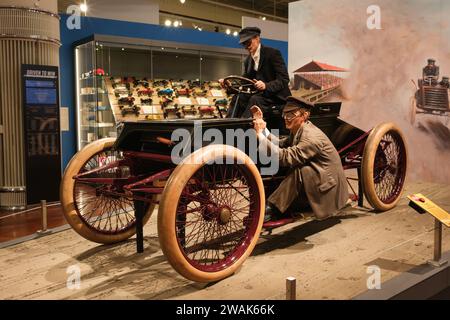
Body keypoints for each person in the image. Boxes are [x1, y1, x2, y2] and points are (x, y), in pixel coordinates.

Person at [251, 96, 349, 222]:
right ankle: (274, 203)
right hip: (318, 176)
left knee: (300, 170)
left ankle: (273, 208)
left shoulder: (311, 137)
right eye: (285, 114)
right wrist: (264, 130)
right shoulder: (298, 129)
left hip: (329, 187)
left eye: (291, 114)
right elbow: (281, 144)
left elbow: (285, 157)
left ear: (305, 115)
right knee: (298, 168)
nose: (286, 118)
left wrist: (259, 134)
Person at [220, 27, 291, 118]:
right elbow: (244, 84)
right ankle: (228, 126)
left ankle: (244, 128)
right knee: (239, 97)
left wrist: (266, 86)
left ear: (257, 38)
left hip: (276, 97)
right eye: (244, 44)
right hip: (261, 96)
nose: (247, 46)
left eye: (248, 42)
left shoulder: (272, 53)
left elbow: (284, 79)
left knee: (255, 99)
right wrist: (229, 86)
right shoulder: (248, 61)